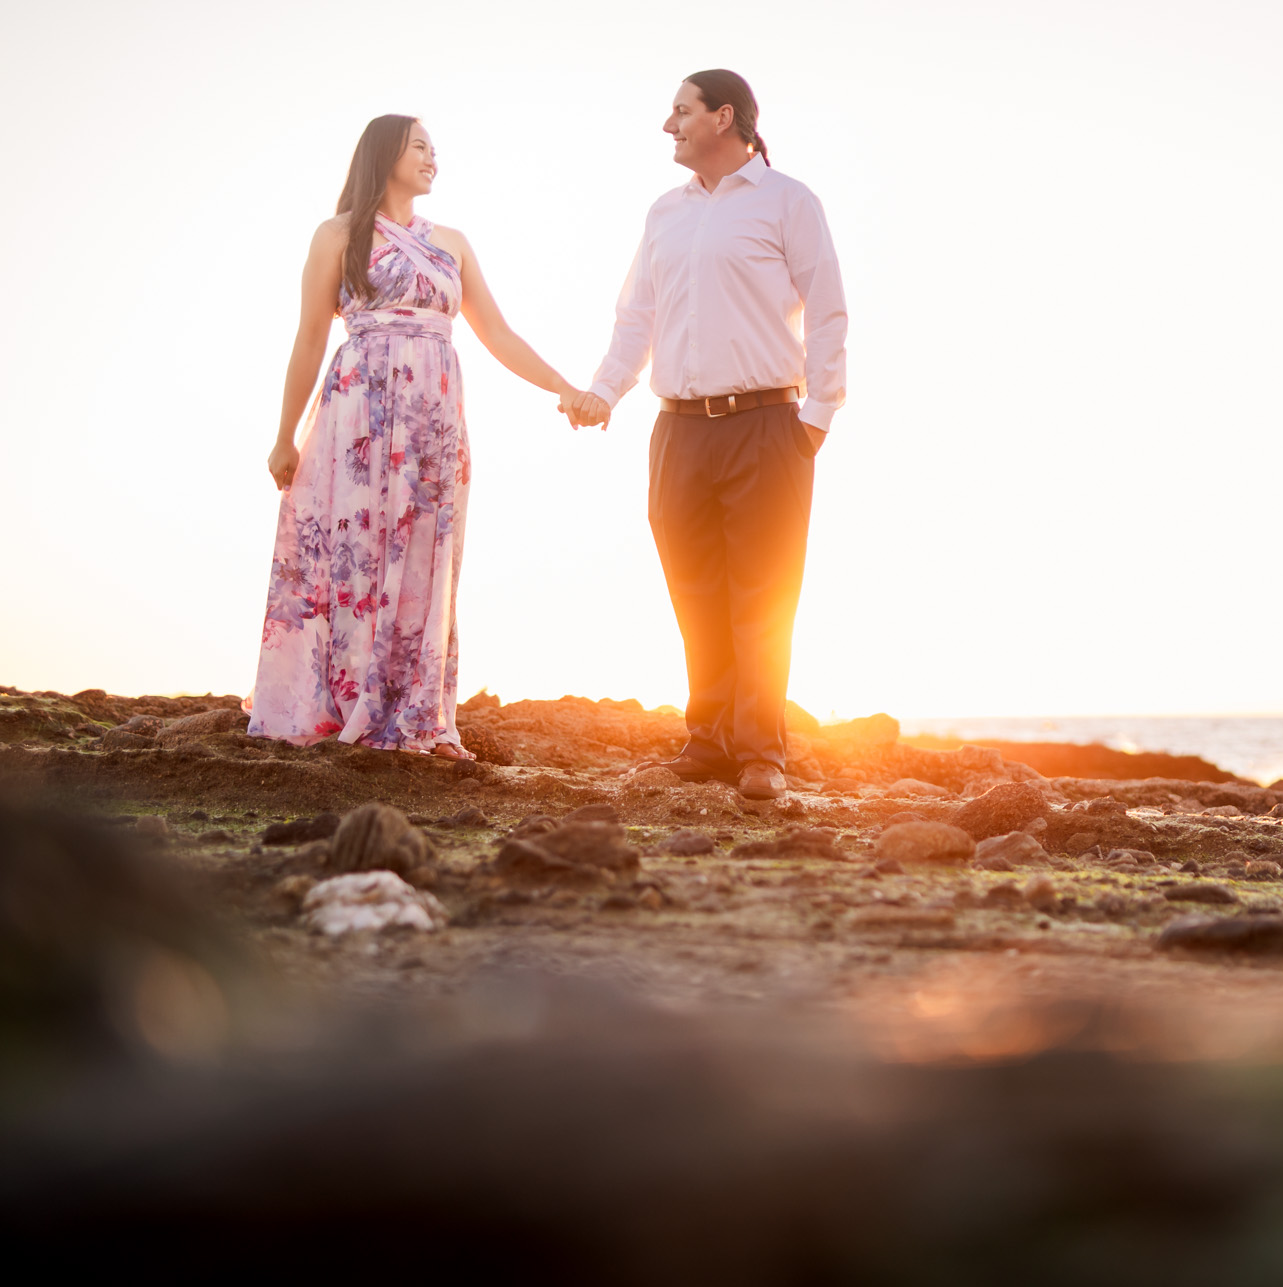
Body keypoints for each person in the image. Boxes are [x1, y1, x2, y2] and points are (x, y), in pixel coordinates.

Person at [250, 115, 596, 758]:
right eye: (420, 147)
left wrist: (564, 388)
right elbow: (308, 338)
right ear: (385, 155)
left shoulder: (453, 243)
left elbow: (498, 335)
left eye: (435, 149)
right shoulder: (337, 235)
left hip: (434, 420)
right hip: (359, 411)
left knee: (425, 556)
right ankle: (345, 696)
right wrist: (283, 435)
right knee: (356, 549)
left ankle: (413, 706)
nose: (434, 158)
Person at [565, 71, 847, 801]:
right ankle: (710, 740)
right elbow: (636, 317)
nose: (669, 124)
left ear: (725, 118)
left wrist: (818, 412)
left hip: (769, 425)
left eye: (681, 111)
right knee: (696, 592)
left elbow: (827, 308)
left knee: (763, 592)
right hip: (678, 429)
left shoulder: (790, 201)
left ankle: (762, 753)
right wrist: (604, 390)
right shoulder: (665, 212)